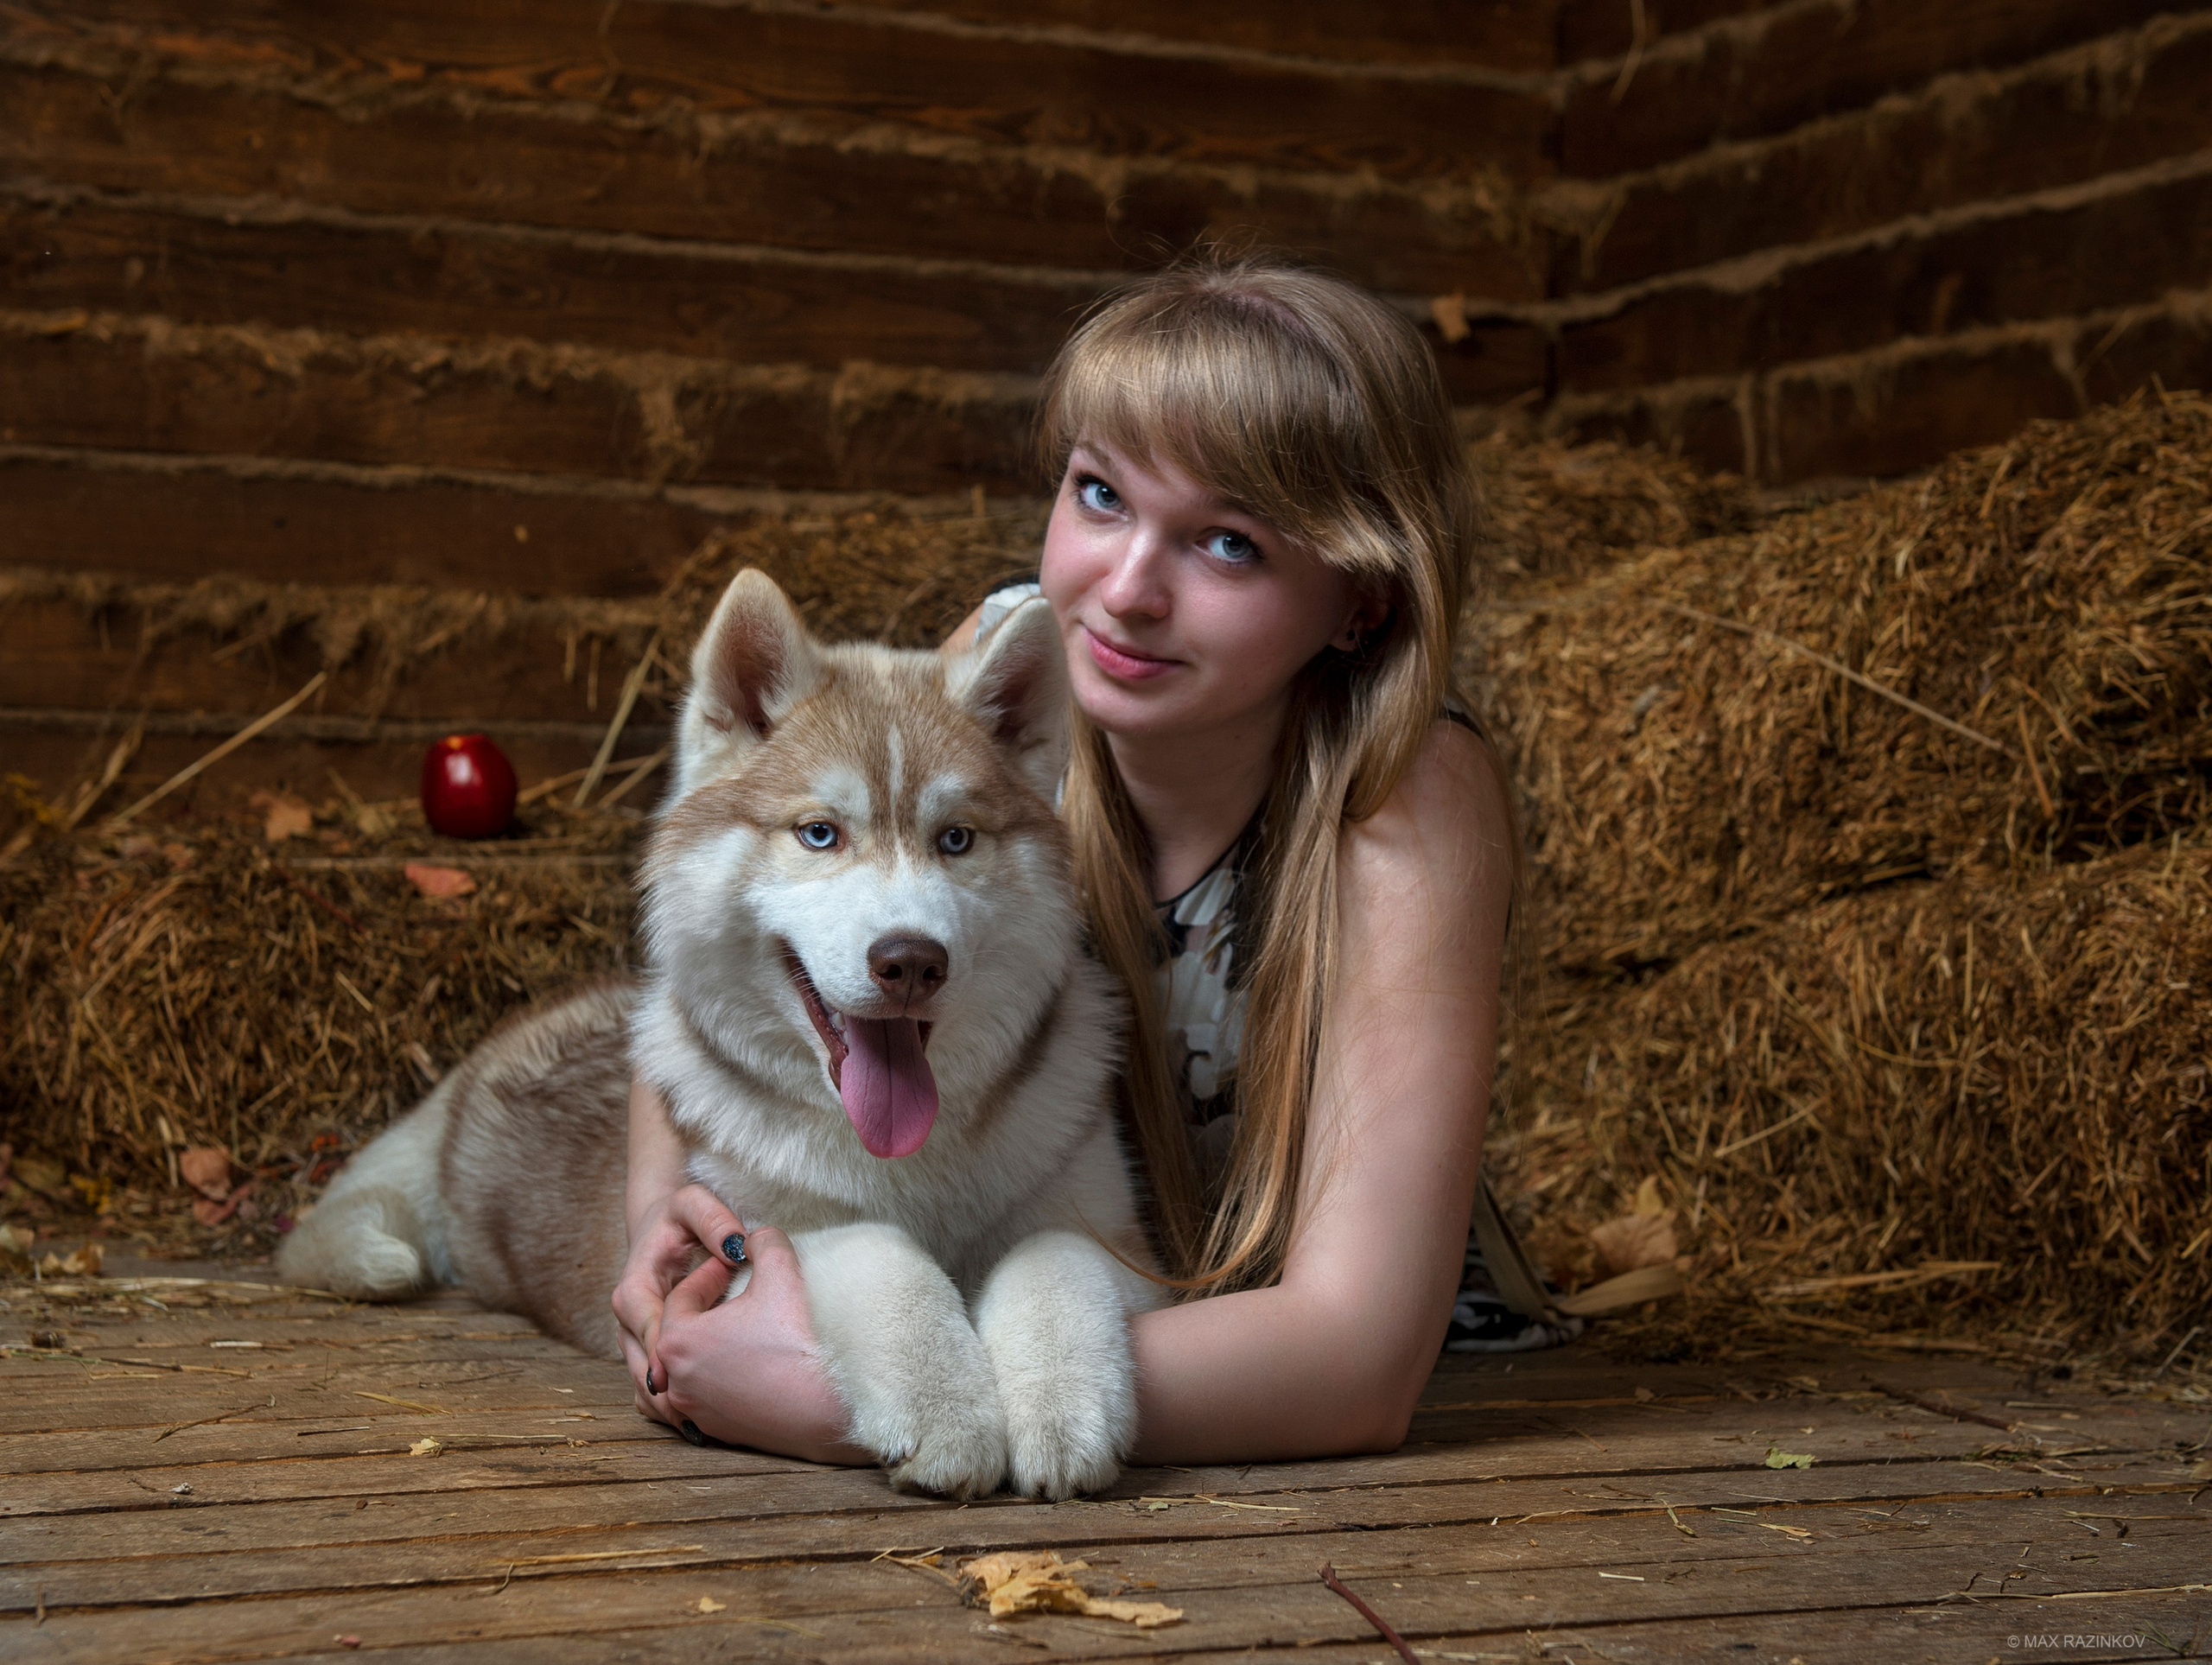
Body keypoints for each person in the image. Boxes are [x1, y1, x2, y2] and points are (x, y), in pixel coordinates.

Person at [613, 253, 1567, 1471]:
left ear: (1360, 605)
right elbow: (732, 966)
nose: (1125, 592)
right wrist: (663, 1227)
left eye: (1228, 544)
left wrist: (847, 1400)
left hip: (1284, 1366)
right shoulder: (1010, 671)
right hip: (1045, 1286)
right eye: (1101, 493)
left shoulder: (1403, 790)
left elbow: (1359, 1363)